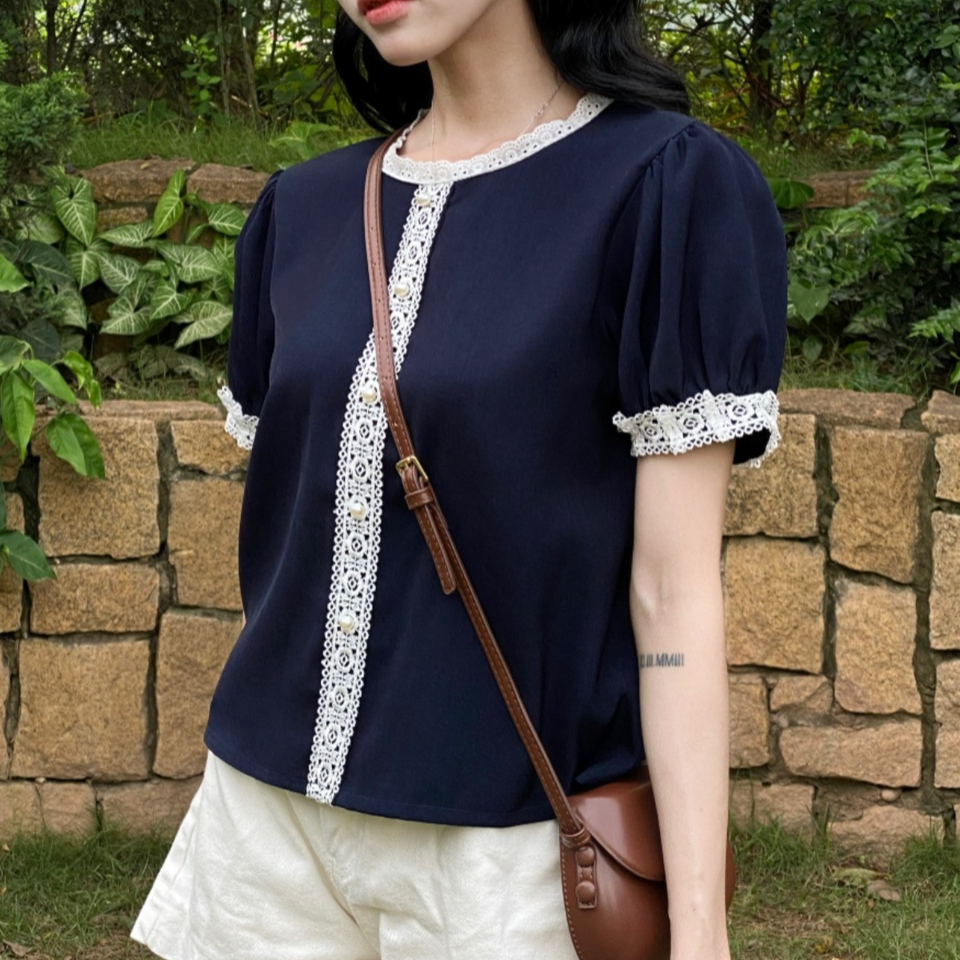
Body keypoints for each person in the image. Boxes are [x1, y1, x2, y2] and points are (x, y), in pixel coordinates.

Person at [132, 1, 786, 958]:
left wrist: (699, 928)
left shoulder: (662, 187)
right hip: (265, 834)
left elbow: (672, 592)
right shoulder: (301, 210)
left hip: (501, 862)